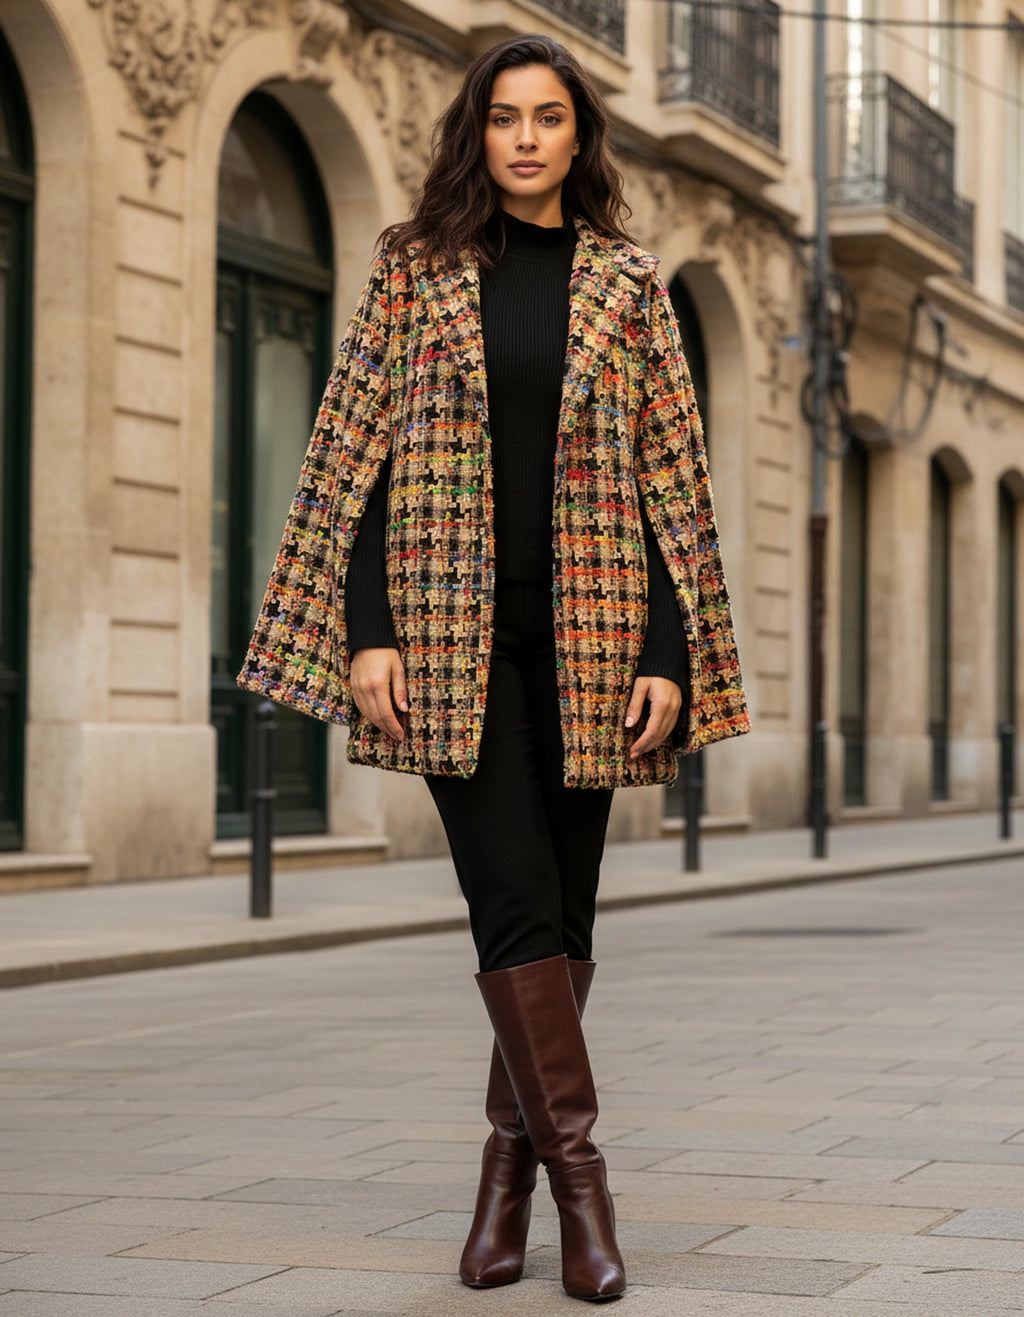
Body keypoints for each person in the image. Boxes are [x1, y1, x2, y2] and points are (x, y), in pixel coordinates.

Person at [239, 32, 749, 1302]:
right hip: (448, 642)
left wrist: (671, 655)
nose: (525, 137)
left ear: (581, 138)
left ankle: (502, 1175)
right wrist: (367, 630)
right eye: (504, 117)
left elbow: (672, 490)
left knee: (564, 916)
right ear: (477, 133)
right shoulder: (415, 272)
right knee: (511, 898)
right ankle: (585, 1189)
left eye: (549, 117)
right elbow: (348, 463)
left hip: (592, 639)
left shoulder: (629, 282)